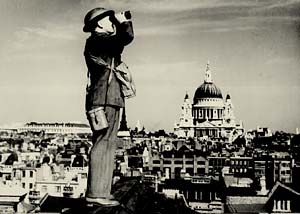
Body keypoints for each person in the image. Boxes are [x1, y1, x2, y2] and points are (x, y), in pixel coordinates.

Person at [82, 7, 134, 206]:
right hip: (105, 99)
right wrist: (123, 23)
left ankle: (100, 193)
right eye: (108, 19)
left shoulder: (102, 41)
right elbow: (124, 39)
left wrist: (121, 24)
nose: (111, 22)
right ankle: (96, 193)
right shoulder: (97, 40)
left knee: (107, 145)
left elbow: (120, 43)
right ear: (99, 23)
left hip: (109, 98)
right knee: (103, 144)